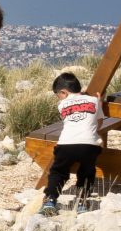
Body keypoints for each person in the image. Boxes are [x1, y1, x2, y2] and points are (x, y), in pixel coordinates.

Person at [41, 72, 104, 216]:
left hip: (66, 144)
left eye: (58, 95)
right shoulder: (94, 101)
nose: (59, 98)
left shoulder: (62, 105)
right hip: (89, 145)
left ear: (64, 92)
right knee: (87, 172)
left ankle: (50, 199)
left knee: (58, 172)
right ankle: (82, 201)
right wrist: (99, 103)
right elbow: (99, 124)